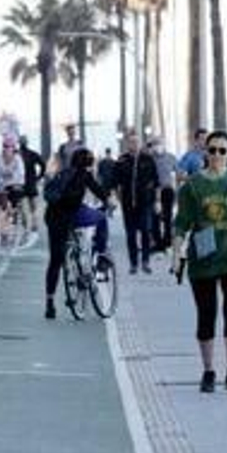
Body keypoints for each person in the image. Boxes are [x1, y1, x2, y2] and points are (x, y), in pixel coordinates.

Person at [173, 131, 227, 393]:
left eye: (222, 150)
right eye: (212, 150)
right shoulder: (193, 186)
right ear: (205, 153)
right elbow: (181, 224)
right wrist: (177, 255)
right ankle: (208, 370)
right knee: (206, 313)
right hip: (204, 257)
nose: (217, 156)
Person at [42, 147, 111, 319]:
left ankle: (50, 303)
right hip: (73, 214)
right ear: (88, 163)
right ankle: (101, 255)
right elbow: (99, 191)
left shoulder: (61, 173)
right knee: (101, 219)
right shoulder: (84, 175)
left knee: (55, 260)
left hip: (53, 217)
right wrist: (108, 203)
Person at [113, 129, 161, 274]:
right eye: (131, 142)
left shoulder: (148, 159)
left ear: (140, 143)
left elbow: (156, 182)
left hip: (145, 202)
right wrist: (118, 197)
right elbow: (115, 182)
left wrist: (157, 201)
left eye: (136, 142)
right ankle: (133, 263)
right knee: (131, 234)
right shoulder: (122, 160)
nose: (133, 144)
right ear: (127, 143)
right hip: (128, 204)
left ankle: (145, 261)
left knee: (146, 231)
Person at [0, 136, 25, 250]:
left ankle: (11, 223)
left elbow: (21, 173)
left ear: (13, 148)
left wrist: (17, 182)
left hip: (15, 184)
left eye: (9, 147)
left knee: (11, 205)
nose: (7, 149)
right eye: (5, 146)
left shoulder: (17, 160)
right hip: (0, 185)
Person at [151, 136, 178, 254]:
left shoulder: (171, 157)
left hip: (168, 190)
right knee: (155, 218)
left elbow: (178, 172)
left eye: (159, 143)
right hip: (154, 191)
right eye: (155, 144)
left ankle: (168, 242)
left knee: (168, 217)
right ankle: (158, 243)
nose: (157, 146)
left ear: (164, 144)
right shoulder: (150, 159)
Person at [18, 134, 46, 231]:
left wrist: (39, 176)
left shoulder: (27, 154)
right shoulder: (23, 153)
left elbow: (43, 165)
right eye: (22, 141)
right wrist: (39, 176)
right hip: (25, 181)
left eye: (23, 141)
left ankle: (31, 223)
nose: (22, 143)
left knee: (30, 203)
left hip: (27, 181)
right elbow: (43, 165)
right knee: (24, 203)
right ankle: (27, 223)